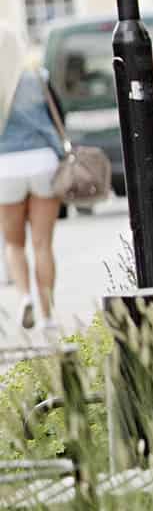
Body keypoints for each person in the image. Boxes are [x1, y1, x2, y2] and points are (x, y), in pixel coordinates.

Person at [0, 25, 64, 334]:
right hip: (43, 162)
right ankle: (48, 315)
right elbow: (58, 118)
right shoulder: (38, 77)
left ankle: (25, 297)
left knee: (13, 243)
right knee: (43, 244)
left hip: (5, 167)